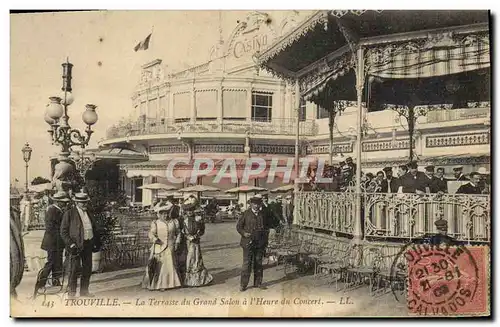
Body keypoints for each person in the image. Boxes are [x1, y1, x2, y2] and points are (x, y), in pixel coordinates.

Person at [60, 191, 100, 298]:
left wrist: (95, 242)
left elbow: (93, 228)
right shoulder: (69, 213)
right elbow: (63, 232)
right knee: (73, 270)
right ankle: (71, 294)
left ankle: (84, 291)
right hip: (75, 246)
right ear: (77, 203)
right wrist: (71, 244)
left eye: (86, 202)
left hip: (88, 244)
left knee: (87, 269)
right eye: (82, 203)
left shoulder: (89, 213)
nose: (85, 204)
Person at [34, 191, 70, 296]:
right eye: (63, 202)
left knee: (57, 261)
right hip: (53, 242)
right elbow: (50, 228)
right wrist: (62, 234)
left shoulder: (57, 210)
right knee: (51, 262)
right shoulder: (52, 211)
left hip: (57, 242)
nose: (65, 204)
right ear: (58, 202)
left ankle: (55, 280)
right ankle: (41, 283)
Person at [142, 205, 182, 291]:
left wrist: (177, 242)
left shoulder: (174, 222)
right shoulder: (156, 223)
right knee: (159, 265)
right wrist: (155, 239)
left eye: (166, 214)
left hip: (170, 246)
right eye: (163, 214)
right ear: (159, 214)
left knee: (169, 265)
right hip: (159, 246)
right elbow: (151, 233)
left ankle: (170, 284)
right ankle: (159, 284)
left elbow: (178, 233)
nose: (165, 216)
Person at [237, 194, 270, 291]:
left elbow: (266, 229)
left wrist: (265, 242)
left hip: (259, 243)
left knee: (258, 263)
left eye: (258, 204)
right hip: (248, 243)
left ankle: (258, 283)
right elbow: (239, 227)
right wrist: (244, 233)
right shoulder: (245, 214)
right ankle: (243, 285)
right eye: (254, 204)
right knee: (247, 264)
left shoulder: (262, 215)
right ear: (251, 204)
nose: (256, 206)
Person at [181, 199, 213, 287]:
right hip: (187, 242)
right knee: (188, 259)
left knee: (196, 259)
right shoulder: (184, 220)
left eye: (191, 210)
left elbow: (202, 230)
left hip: (195, 242)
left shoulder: (198, 219)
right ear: (185, 212)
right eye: (188, 211)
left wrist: (197, 235)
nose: (190, 212)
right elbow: (182, 231)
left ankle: (198, 280)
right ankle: (188, 280)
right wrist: (187, 236)